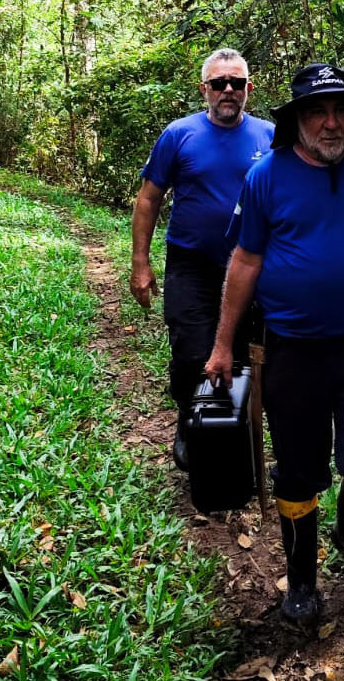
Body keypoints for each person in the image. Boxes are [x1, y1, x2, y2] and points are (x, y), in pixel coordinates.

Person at [204, 63, 344, 622]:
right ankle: (301, 576)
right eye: (318, 111)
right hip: (291, 348)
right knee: (299, 469)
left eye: (342, 110)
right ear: (296, 120)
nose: (332, 123)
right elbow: (245, 260)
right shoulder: (266, 176)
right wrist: (223, 344)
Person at [131, 48, 274, 471]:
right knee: (193, 355)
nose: (228, 90)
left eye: (236, 82)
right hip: (191, 264)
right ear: (204, 89)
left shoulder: (270, 137)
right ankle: (188, 422)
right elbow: (149, 199)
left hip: (251, 268)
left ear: (248, 88)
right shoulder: (179, 135)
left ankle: (231, 444)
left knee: (243, 358)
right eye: (218, 83)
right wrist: (140, 262)